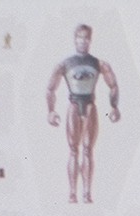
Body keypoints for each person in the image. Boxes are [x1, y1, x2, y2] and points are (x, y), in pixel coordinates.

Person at [45, 24, 120, 204]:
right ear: (75, 39)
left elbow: (113, 85)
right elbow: (50, 89)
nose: (83, 41)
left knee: (88, 150)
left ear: (90, 40)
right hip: (73, 105)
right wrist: (51, 111)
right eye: (80, 37)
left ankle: (86, 193)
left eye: (86, 38)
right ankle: (72, 193)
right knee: (73, 150)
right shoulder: (65, 64)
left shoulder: (99, 63)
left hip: (90, 106)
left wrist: (114, 106)